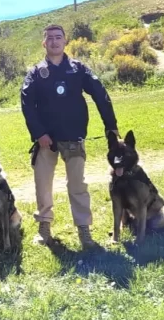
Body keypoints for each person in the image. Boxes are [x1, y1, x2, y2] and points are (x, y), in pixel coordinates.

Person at [20, 24, 119, 249]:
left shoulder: (78, 69)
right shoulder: (36, 72)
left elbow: (100, 94)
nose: (54, 42)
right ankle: (44, 228)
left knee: (78, 185)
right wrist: (39, 134)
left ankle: (84, 230)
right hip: (46, 140)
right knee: (42, 184)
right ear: (44, 43)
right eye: (50, 39)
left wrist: (111, 126)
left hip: (73, 136)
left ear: (65, 41)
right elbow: (27, 104)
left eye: (58, 38)